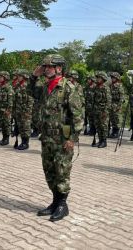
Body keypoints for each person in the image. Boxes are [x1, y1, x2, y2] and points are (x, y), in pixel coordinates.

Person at [29, 54, 82, 222]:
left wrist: (71, 139)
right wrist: (33, 76)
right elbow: (30, 91)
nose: (46, 70)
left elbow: (77, 117)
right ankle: (54, 202)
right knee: (50, 171)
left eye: (49, 67)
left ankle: (62, 205)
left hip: (62, 138)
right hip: (47, 137)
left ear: (59, 68)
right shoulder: (46, 87)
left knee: (62, 171)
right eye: (44, 67)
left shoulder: (68, 88)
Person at [13, 69, 34, 150]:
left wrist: (28, 111)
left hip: (25, 111)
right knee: (20, 127)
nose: (18, 77)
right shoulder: (17, 86)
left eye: (20, 76)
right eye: (18, 76)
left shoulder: (28, 86)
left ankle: (26, 143)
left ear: (24, 76)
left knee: (26, 127)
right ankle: (22, 141)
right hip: (18, 110)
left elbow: (30, 100)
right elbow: (15, 99)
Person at [92, 71, 111, 148]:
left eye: (99, 78)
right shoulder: (96, 87)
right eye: (97, 78)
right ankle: (100, 140)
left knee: (103, 126)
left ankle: (104, 141)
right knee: (98, 126)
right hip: (96, 110)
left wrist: (105, 112)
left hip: (103, 111)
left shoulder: (106, 88)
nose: (97, 79)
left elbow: (108, 101)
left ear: (103, 79)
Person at [0, 71, 13, 146]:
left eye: (1, 77)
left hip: (5, 110)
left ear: (5, 78)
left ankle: (7, 139)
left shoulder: (8, 87)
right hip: (0, 109)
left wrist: (8, 110)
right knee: (2, 124)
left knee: (6, 124)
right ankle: (3, 137)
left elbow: (10, 100)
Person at [108, 72, 124, 138]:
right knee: (112, 118)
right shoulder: (110, 85)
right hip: (110, 104)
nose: (112, 79)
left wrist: (119, 106)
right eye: (112, 78)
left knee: (116, 119)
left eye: (113, 77)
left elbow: (122, 97)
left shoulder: (119, 86)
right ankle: (113, 132)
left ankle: (117, 132)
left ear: (117, 78)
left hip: (116, 104)